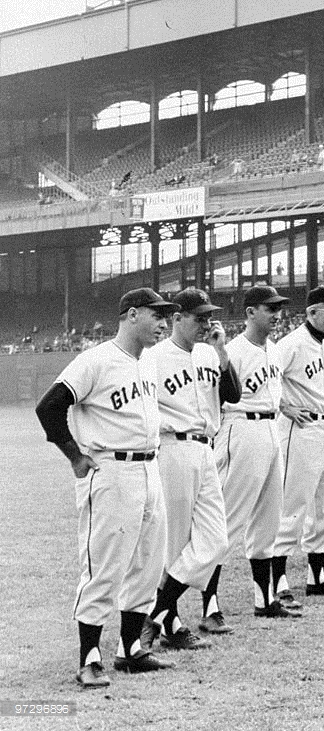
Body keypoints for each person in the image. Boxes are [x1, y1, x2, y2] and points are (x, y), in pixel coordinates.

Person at [36, 287, 178, 688]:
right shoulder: (96, 359)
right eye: (156, 315)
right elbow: (49, 406)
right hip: (112, 470)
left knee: (149, 563)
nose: (163, 323)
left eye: (166, 316)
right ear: (132, 315)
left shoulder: (147, 362)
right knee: (105, 566)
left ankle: (130, 650)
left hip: (150, 468)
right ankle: (90, 656)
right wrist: (75, 457)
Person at [139, 288, 239, 650]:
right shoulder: (154, 356)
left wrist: (223, 352)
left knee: (215, 540)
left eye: (208, 317)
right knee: (174, 545)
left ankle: (157, 614)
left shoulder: (210, 354)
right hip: (173, 448)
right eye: (199, 317)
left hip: (205, 450)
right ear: (177, 318)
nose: (206, 323)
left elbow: (234, 395)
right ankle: (172, 624)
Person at [208, 285, 298, 619]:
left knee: (268, 520)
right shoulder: (232, 350)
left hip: (271, 428)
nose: (277, 315)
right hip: (241, 428)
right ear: (250, 312)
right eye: (269, 308)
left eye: (278, 308)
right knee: (228, 521)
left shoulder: (274, 349)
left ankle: (264, 600)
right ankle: (210, 605)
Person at [270, 286, 324, 608]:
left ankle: (316, 578)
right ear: (311, 313)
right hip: (299, 430)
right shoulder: (290, 343)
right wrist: (285, 406)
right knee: (293, 505)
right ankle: (277, 580)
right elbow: (269, 379)